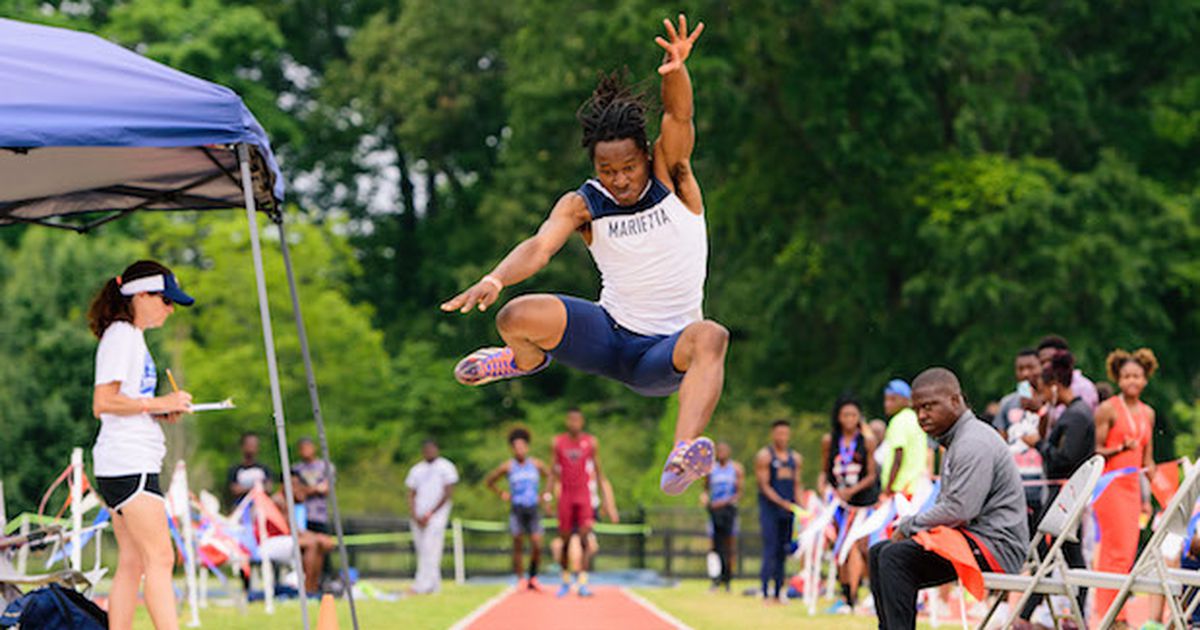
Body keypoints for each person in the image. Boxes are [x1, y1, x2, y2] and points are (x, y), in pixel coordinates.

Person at [439, 14, 726, 496]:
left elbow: (679, 118)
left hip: (664, 352)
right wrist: (494, 278)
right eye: (607, 169)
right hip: (610, 335)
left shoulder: (672, 175)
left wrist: (677, 69)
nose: (619, 179)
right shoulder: (583, 204)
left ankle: (682, 453)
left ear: (644, 157)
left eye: (629, 168)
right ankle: (523, 361)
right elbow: (540, 245)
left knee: (711, 336)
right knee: (515, 315)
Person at [868, 368, 1027, 630]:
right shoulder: (958, 440)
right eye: (918, 409)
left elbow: (960, 509)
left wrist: (909, 525)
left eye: (929, 406)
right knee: (879, 552)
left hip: (996, 546)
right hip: (974, 535)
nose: (922, 416)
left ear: (955, 400)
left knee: (895, 558)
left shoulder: (972, 442)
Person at [89, 260, 195, 630]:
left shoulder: (129, 336)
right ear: (142, 295)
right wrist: (159, 404)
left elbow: (125, 403)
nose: (169, 309)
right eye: (166, 301)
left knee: (134, 562)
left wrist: (157, 412)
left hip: (124, 461)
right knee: (161, 559)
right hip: (129, 461)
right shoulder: (122, 335)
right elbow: (103, 403)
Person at [1016, 350, 1096, 624]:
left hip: (1065, 499)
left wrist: (1037, 443)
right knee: (1052, 557)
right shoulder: (1073, 413)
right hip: (1064, 497)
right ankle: (1037, 615)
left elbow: (1065, 458)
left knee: (1054, 557)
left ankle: (1033, 615)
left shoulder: (1076, 415)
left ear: (1053, 386)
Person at [1091, 348, 1158, 628]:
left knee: (1128, 552)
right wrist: (1118, 448)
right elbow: (1094, 450)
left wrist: (1156, 487)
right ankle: (1113, 616)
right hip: (1111, 485)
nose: (1132, 381)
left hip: (1133, 488)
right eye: (1127, 376)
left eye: (1137, 376)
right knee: (1114, 552)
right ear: (1118, 379)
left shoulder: (1148, 413)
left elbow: (1147, 458)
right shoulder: (1108, 409)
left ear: (1145, 379)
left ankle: (1116, 611)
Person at [819, 396, 879, 613]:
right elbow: (825, 471)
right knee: (840, 547)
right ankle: (845, 594)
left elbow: (871, 475)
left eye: (854, 415)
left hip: (862, 502)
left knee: (857, 547)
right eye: (845, 415)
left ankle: (857, 594)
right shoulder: (829, 441)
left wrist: (851, 491)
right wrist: (828, 491)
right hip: (838, 503)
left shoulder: (867, 441)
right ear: (838, 417)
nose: (849, 419)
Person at [549, 409, 612, 597]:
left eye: (578, 420)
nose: (574, 423)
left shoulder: (591, 442)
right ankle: (565, 580)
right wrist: (547, 495)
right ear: (567, 422)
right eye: (571, 420)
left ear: (582, 422)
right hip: (566, 495)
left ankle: (583, 581)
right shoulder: (558, 442)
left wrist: (607, 501)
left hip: (583, 495)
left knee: (585, 538)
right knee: (565, 539)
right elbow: (553, 470)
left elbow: (600, 473)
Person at [484, 428, 552, 590]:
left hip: (533, 509)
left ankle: (533, 576)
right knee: (518, 543)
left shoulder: (535, 464)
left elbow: (550, 476)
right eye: (516, 447)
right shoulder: (508, 466)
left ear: (527, 448)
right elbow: (490, 481)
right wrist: (502, 493)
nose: (520, 450)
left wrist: (545, 495)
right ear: (512, 449)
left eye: (522, 446)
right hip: (517, 509)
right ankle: (521, 578)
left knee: (537, 543)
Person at [993, 348, 1047, 536]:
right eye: (1020, 368)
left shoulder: (1050, 401)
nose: (1025, 373)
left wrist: (1039, 407)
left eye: (1030, 367)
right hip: (1015, 483)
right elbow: (1000, 441)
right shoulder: (1008, 402)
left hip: (1043, 483)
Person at [754, 419, 802, 603]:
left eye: (785, 433)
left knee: (784, 551)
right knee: (770, 549)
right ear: (773, 434)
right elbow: (764, 486)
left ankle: (778, 592)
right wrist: (781, 502)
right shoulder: (765, 457)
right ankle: (765, 591)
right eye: (779, 433)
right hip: (770, 510)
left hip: (788, 511)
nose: (782, 437)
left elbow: (797, 484)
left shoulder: (794, 459)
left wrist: (800, 507)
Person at [405, 439, 459, 595]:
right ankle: (432, 584)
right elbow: (411, 493)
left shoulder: (446, 467)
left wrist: (431, 513)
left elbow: (448, 493)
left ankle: (422, 585)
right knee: (422, 550)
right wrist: (415, 515)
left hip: (436, 516)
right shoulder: (416, 470)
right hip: (419, 516)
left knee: (431, 549)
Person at [702, 441, 743, 592]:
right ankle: (715, 579)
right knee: (714, 546)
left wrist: (724, 502)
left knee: (729, 546)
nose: (721, 453)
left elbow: (739, 493)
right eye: (719, 451)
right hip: (714, 512)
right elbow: (705, 489)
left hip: (729, 511)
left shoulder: (736, 469)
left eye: (724, 450)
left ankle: (728, 580)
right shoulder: (710, 469)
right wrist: (706, 499)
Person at [879, 380, 925, 498]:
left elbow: (898, 457)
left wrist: (888, 489)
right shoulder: (916, 419)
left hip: (900, 489)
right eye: (886, 399)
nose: (887, 404)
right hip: (917, 487)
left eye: (893, 399)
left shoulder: (898, 421)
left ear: (906, 400)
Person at [1037, 335, 1099, 411]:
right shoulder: (1046, 388)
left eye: (1050, 361)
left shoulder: (1084, 387)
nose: (1045, 366)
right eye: (1042, 362)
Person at [291, 437, 332, 535]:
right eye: (302, 448)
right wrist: (317, 488)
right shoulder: (296, 469)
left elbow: (326, 489)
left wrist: (305, 490)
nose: (305, 451)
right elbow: (296, 492)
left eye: (307, 447)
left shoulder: (325, 466)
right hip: (301, 514)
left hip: (320, 514)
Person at [228, 431, 273, 508]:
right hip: (241, 508)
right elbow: (234, 490)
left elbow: (269, 488)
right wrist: (256, 488)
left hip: (261, 507)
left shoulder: (264, 468)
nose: (252, 447)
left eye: (254, 444)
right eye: (249, 444)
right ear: (242, 447)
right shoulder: (235, 470)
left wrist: (246, 489)